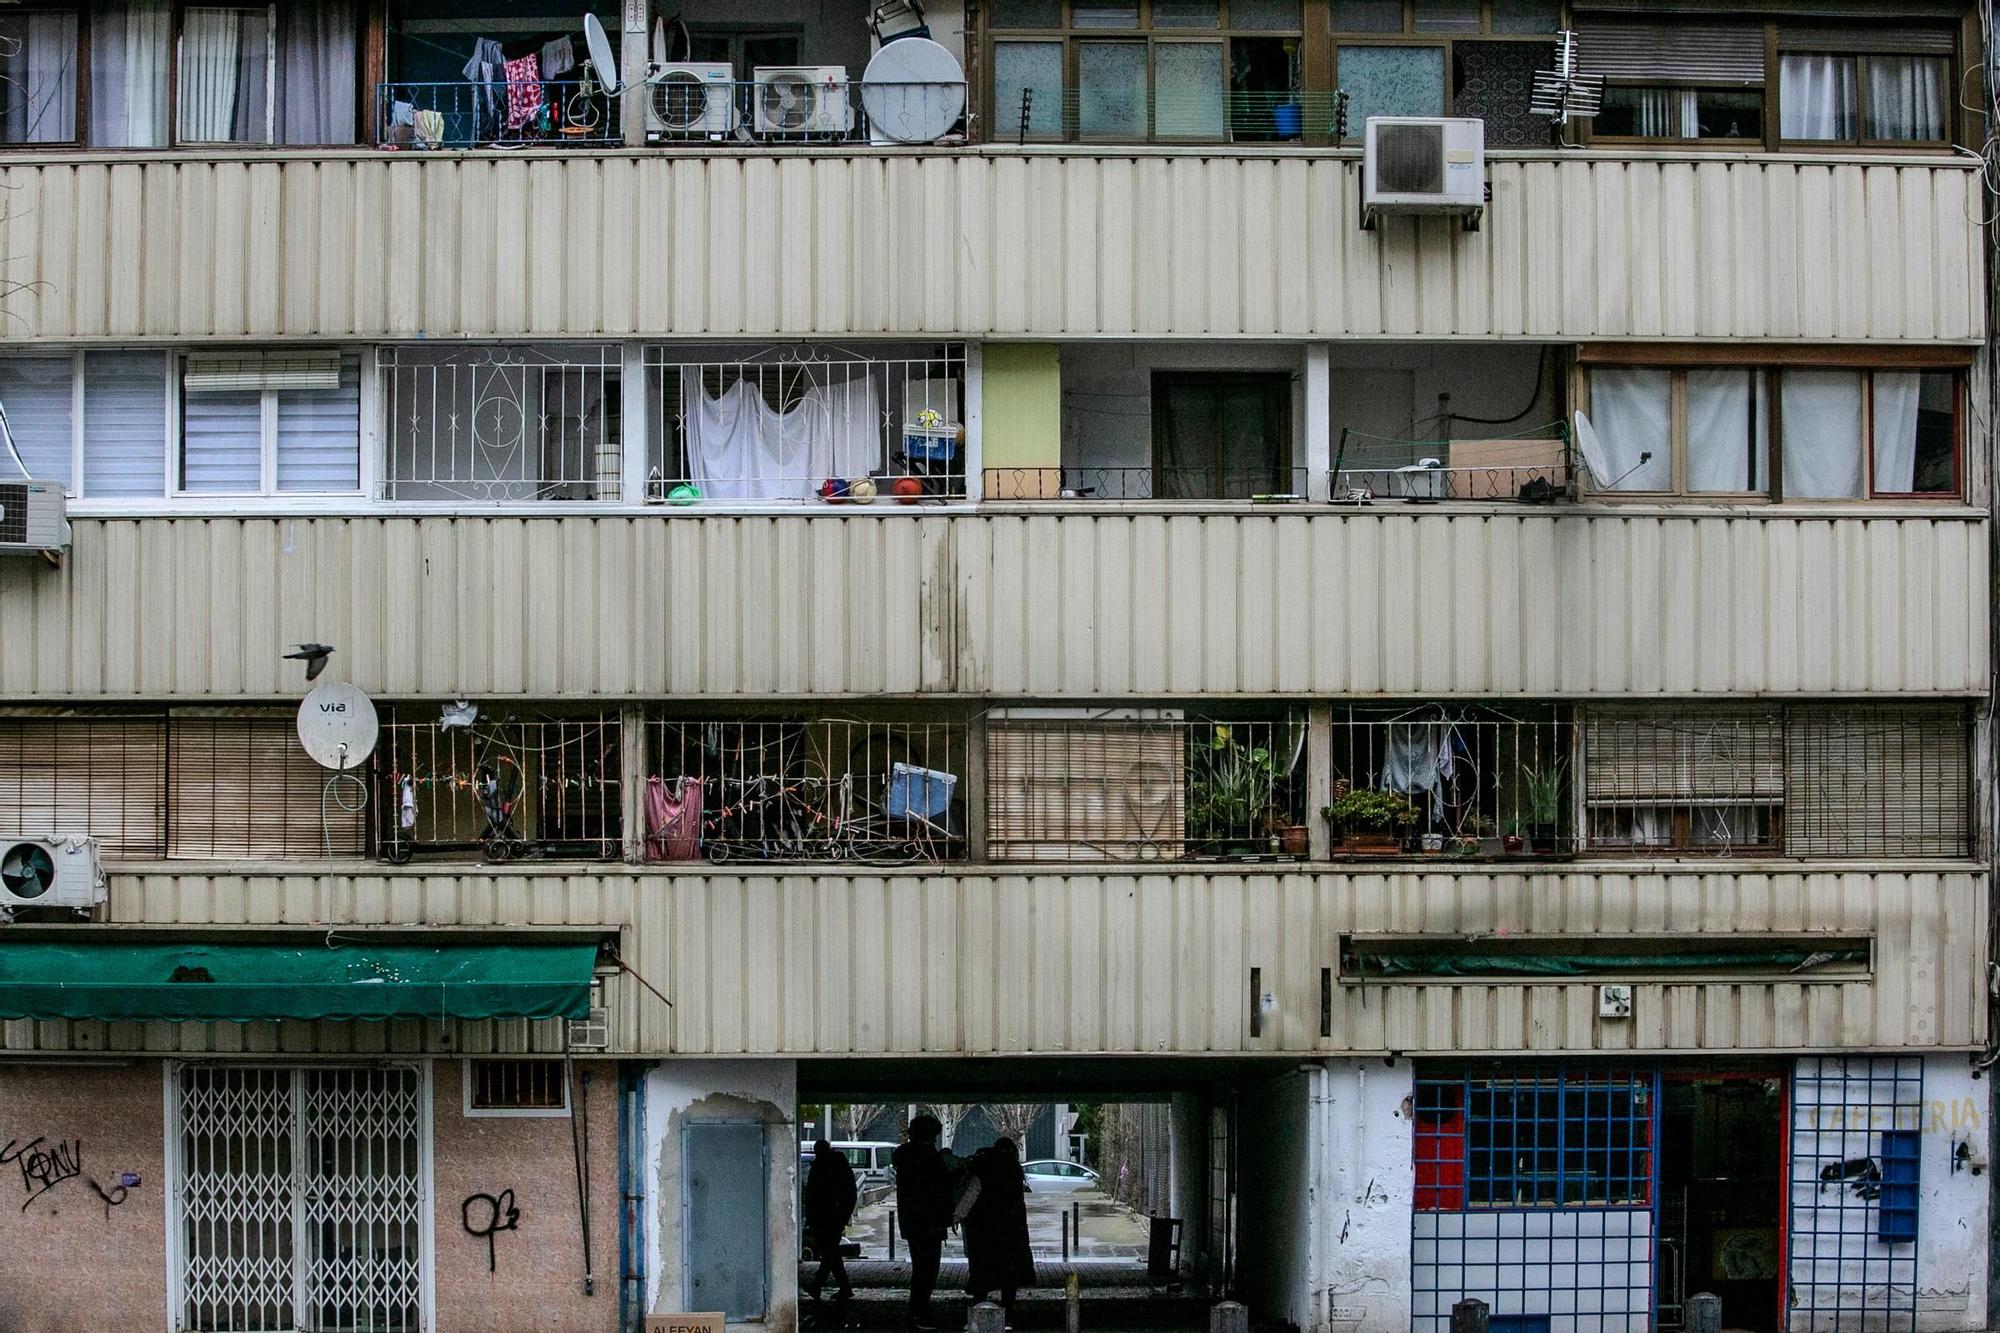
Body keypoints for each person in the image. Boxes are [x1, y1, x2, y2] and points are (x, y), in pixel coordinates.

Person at [959, 1137, 1033, 1324]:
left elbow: (970, 1195)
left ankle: (978, 1312)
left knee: (982, 1272)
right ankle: (1007, 1315)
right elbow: (1018, 1203)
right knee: (1009, 1276)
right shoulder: (1013, 1170)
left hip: (982, 1230)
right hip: (1010, 1231)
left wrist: (956, 1216)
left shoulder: (982, 1167)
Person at [892, 1114, 952, 1330]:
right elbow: (940, 1187)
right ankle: (919, 1312)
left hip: (912, 1221)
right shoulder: (928, 1157)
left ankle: (918, 1310)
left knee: (920, 1268)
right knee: (928, 1269)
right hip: (930, 1221)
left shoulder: (904, 1156)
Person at [805, 1139, 858, 1306]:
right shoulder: (839, 1167)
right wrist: (844, 1214)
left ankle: (818, 1285)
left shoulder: (821, 1168)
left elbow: (813, 1194)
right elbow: (850, 1193)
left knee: (828, 1252)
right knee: (831, 1252)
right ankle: (843, 1286)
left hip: (824, 1217)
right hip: (834, 1217)